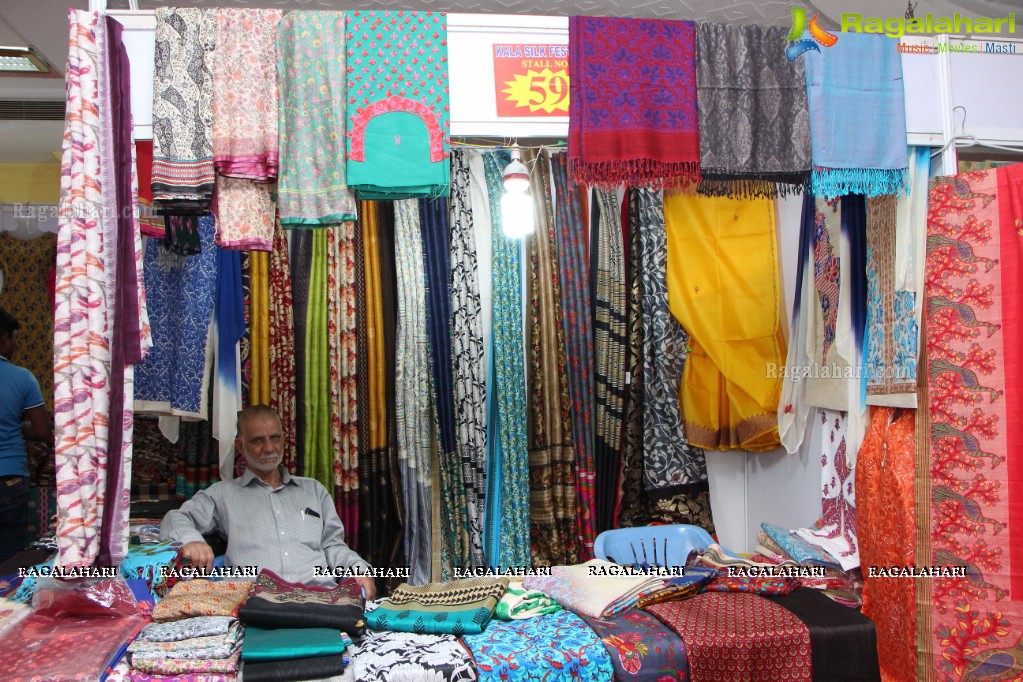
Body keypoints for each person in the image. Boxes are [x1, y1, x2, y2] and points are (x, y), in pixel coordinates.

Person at [161, 405, 377, 599]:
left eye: (275, 438)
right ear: (240, 446)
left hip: (318, 600)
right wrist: (191, 541)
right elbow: (176, 518)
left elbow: (332, 545)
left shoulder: (313, 490)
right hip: (253, 604)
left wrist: (358, 568)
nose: (269, 448)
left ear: (283, 439)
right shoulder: (223, 493)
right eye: (257, 440)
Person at [0, 308, 52, 563]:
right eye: (15, 338)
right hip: (9, 479)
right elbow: (43, 431)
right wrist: (15, 424)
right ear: (4, 339)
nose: (17, 345)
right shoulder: (23, 378)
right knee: (8, 554)